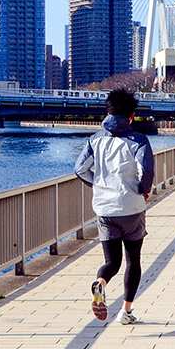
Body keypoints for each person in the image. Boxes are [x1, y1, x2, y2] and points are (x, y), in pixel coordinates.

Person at [73, 88, 154, 325]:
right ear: (131, 116)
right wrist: (143, 189)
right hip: (131, 208)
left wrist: (98, 184)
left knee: (112, 262)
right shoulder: (138, 141)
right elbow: (146, 170)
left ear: (108, 112)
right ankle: (126, 312)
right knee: (133, 260)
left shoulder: (94, 140)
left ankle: (101, 282)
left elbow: (79, 169)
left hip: (105, 210)